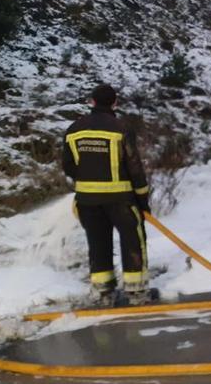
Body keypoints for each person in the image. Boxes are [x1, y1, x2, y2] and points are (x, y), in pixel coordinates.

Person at [62, 84, 151, 306]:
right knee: (133, 241)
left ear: (91, 102)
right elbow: (135, 168)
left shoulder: (74, 130)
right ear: (115, 103)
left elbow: (69, 167)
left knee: (98, 242)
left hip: (86, 201)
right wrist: (143, 201)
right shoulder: (120, 129)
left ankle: (103, 292)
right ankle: (136, 292)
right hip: (120, 200)